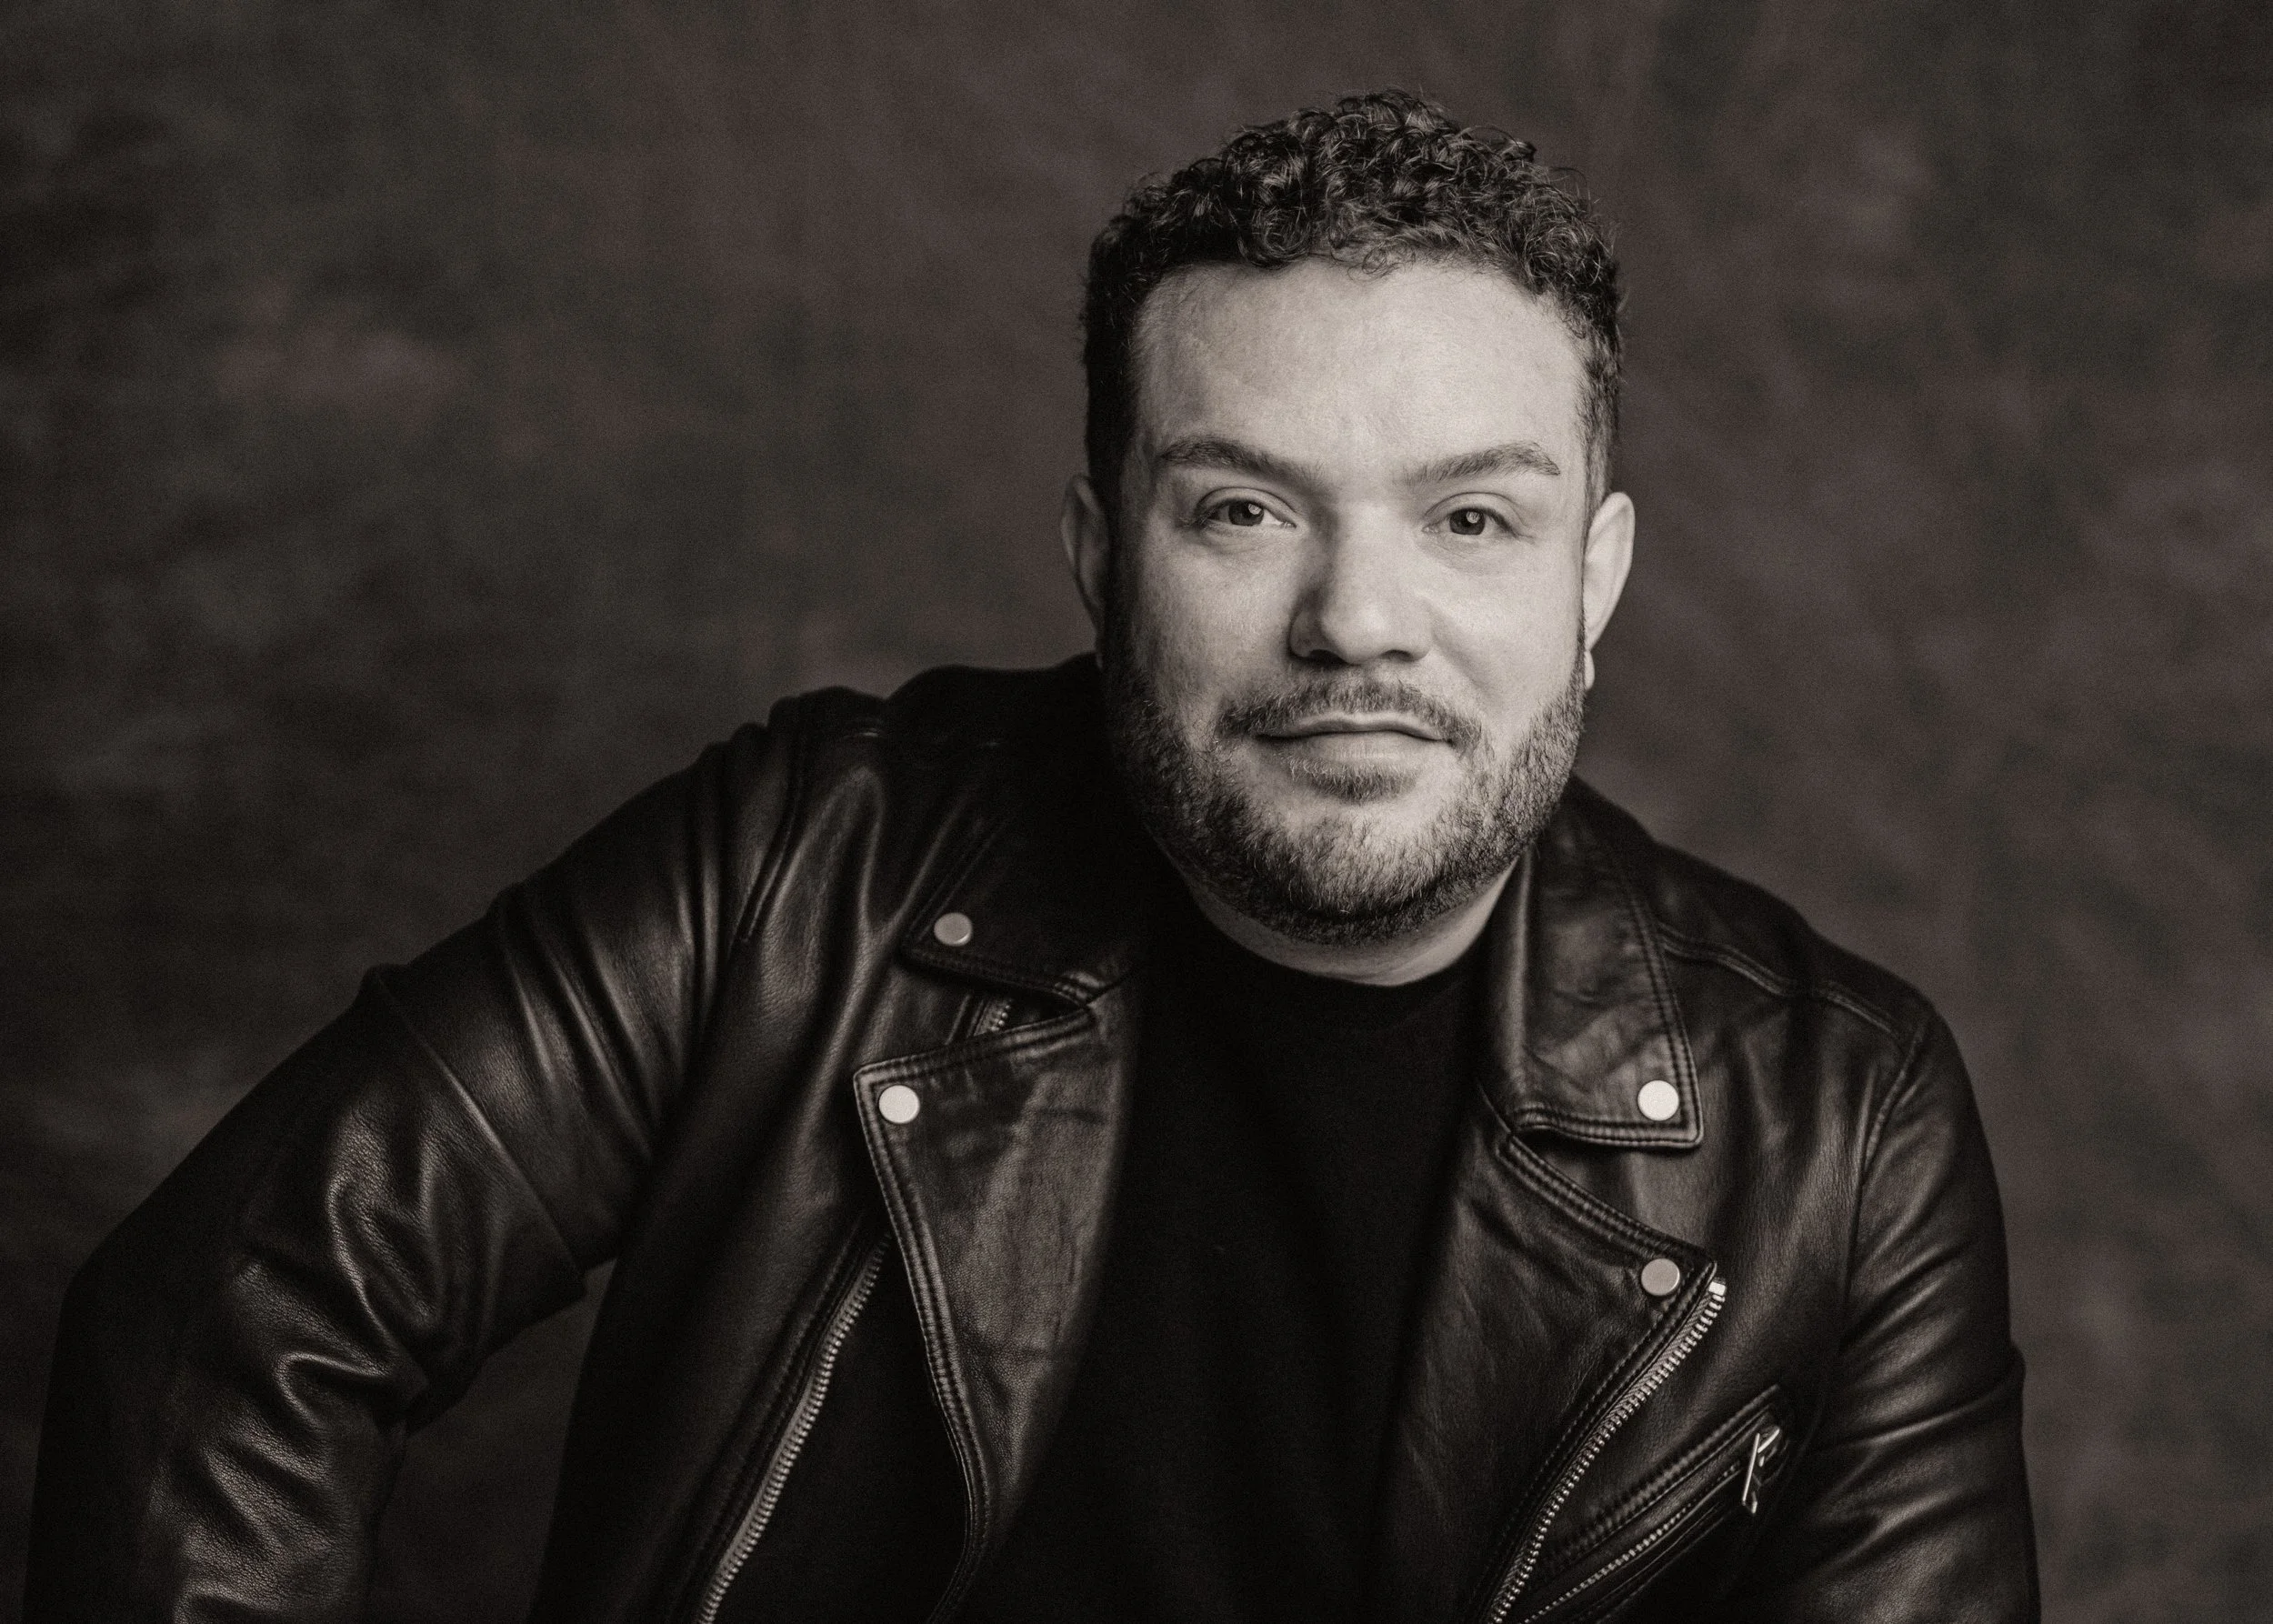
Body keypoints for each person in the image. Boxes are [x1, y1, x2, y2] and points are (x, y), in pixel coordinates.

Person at [26, 89, 2037, 1623]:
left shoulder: (1831, 1120)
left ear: (1594, 574)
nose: (1357, 621)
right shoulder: (806, 866)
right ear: (1098, 557)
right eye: (1242, 510)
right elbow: (236, 1310)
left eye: (1472, 521)